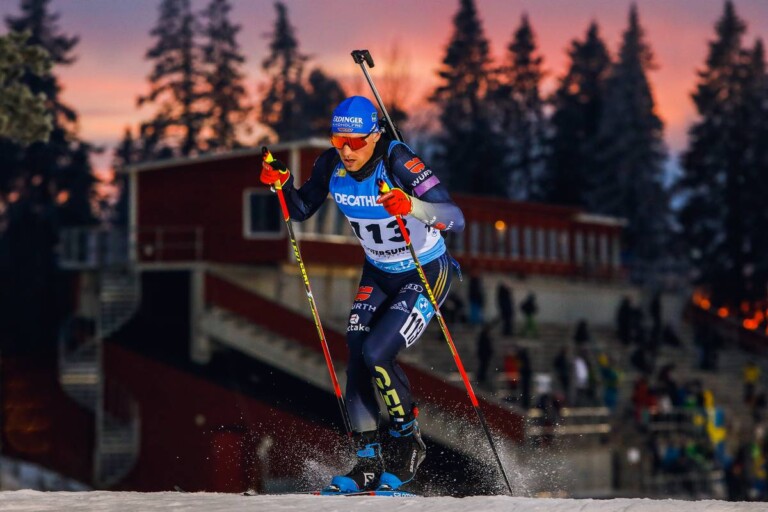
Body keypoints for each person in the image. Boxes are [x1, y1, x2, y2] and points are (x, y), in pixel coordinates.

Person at [260, 96, 464, 493]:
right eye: (338, 140)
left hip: (424, 270)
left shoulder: (397, 160)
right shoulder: (330, 164)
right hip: (379, 271)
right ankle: (368, 462)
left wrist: (412, 205)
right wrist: (282, 185)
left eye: (355, 141)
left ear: (374, 136)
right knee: (355, 353)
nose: (346, 150)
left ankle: (407, 444)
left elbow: (455, 217)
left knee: (377, 353)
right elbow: (300, 209)